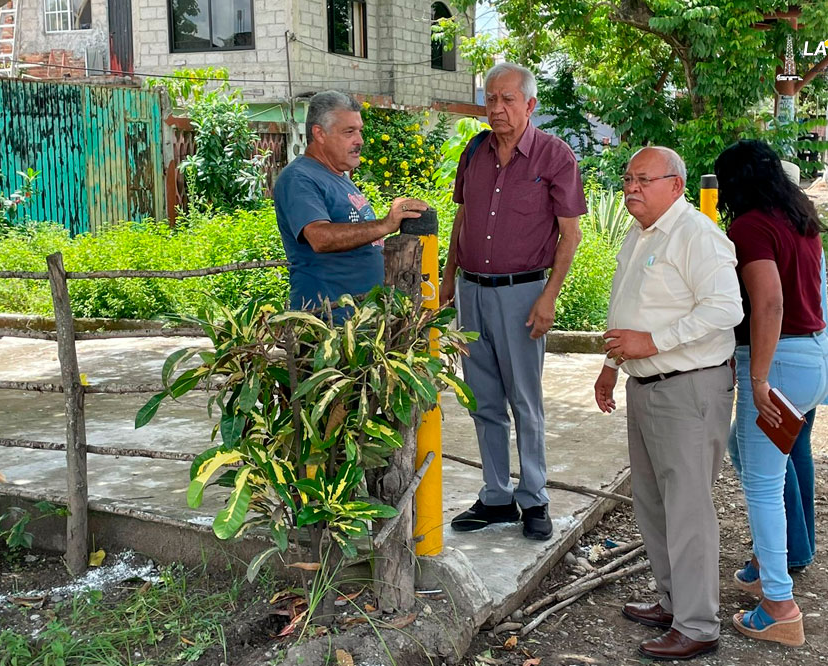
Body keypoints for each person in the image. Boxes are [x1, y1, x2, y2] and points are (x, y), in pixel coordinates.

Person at [593, 146, 742, 660]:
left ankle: (698, 625)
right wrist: (612, 366)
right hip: (645, 385)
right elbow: (627, 307)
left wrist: (652, 344)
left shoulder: (697, 235)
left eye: (643, 179)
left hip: (689, 387)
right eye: (627, 179)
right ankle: (674, 602)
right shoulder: (641, 233)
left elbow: (726, 309)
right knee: (652, 502)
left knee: (687, 508)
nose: (631, 188)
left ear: (676, 186)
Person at [441, 62, 585, 541]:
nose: (497, 108)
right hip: (471, 292)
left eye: (507, 99)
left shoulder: (554, 156)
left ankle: (535, 497)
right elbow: (462, 218)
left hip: (523, 293)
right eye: (490, 99)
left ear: (529, 104)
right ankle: (496, 496)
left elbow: (569, 235)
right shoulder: (474, 152)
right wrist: (448, 278)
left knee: (525, 401)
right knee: (483, 400)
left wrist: (549, 297)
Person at [714, 139, 828, 648]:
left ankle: (780, 606)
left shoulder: (749, 226)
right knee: (747, 453)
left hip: (779, 360)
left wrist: (758, 377)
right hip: (814, 354)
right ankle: (768, 565)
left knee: (763, 484)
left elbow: (768, 304)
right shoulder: (799, 216)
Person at [731, 252, 828, 589]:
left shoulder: (757, 229)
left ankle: (780, 566)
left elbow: (770, 305)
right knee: (793, 446)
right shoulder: (803, 224)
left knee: (766, 468)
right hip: (814, 346)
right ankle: (795, 549)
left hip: (779, 352)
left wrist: (758, 377)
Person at [273, 90, 427, 312]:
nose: (360, 141)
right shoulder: (299, 178)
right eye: (349, 132)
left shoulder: (339, 177)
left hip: (358, 319)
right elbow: (319, 238)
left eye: (360, 131)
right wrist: (385, 224)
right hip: (328, 321)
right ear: (319, 133)